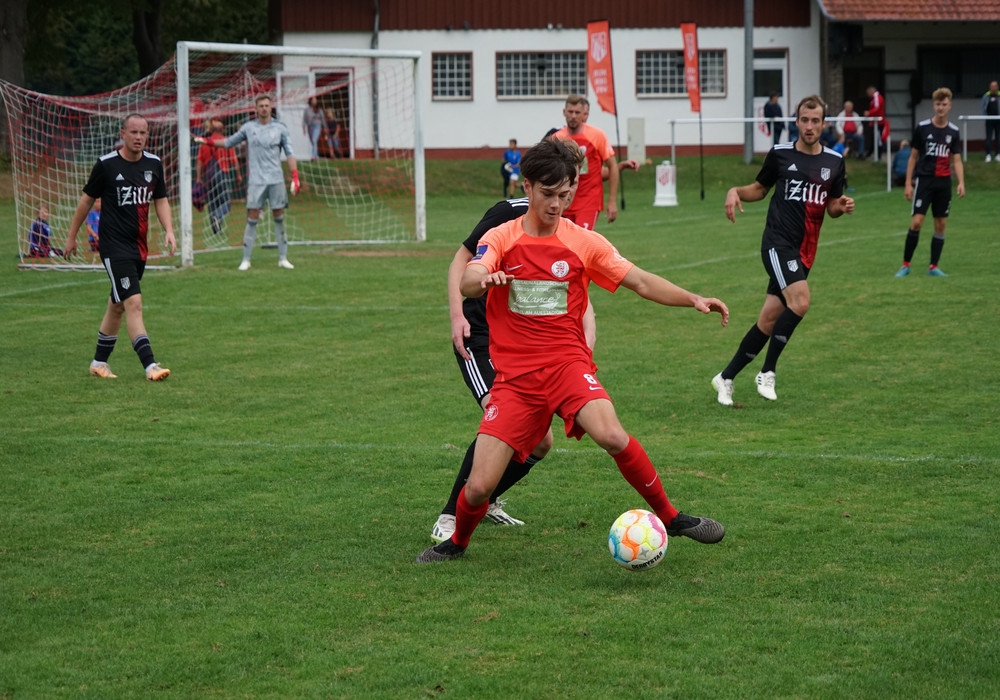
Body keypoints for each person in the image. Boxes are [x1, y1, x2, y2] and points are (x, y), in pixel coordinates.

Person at [417, 138, 729, 563]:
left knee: (612, 434)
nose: (556, 204)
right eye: (548, 193)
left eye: (565, 194)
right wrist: (484, 280)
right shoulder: (501, 236)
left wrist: (692, 298)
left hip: (567, 366)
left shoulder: (583, 241)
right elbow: (469, 277)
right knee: (478, 487)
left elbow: (640, 281)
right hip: (516, 379)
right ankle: (456, 544)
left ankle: (671, 517)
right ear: (527, 187)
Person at [430, 137, 593, 545]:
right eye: (560, 184)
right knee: (497, 419)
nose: (566, 193)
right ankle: (450, 516)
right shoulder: (509, 213)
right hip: (480, 334)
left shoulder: (566, 227)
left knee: (541, 442)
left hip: (522, 343)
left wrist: (584, 346)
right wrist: (456, 316)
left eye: (572, 184)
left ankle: (485, 501)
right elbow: (460, 259)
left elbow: (578, 292)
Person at [711, 95, 855, 406]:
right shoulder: (780, 154)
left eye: (815, 121)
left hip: (806, 251)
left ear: (823, 124)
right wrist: (735, 191)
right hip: (778, 244)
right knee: (800, 301)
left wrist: (841, 206)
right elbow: (759, 189)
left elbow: (831, 206)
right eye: (804, 120)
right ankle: (767, 372)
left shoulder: (834, 161)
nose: (809, 126)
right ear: (796, 121)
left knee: (768, 320)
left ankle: (726, 377)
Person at [64, 112, 176, 381]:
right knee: (133, 303)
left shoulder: (153, 164)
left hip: (139, 248)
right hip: (114, 248)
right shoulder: (107, 165)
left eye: (143, 133)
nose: (138, 137)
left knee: (117, 305)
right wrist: (71, 236)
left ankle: (99, 363)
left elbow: (160, 199)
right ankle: (150, 366)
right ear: (123, 134)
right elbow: (86, 201)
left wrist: (169, 230)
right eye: (133, 132)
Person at [197, 94, 299, 271]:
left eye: (267, 105)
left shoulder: (280, 128)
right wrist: (208, 141)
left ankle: (283, 258)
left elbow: (289, 153)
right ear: (256, 109)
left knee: (279, 217)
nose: (264, 109)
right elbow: (228, 142)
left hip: (275, 179)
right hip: (256, 180)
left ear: (271, 108)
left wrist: (295, 176)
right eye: (261, 106)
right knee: (252, 218)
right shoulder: (249, 128)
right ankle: (246, 259)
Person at [895, 87, 966, 278]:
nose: (941, 107)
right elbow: (913, 157)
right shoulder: (923, 128)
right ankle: (905, 265)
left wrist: (961, 182)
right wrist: (908, 183)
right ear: (933, 105)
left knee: (940, 224)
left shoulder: (954, 131)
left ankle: (933, 266)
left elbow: (957, 159)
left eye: (944, 104)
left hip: (944, 183)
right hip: (925, 181)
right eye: (938, 104)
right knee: (917, 222)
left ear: (950, 106)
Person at [553, 94, 619, 230]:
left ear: (584, 114)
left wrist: (612, 201)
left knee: (581, 239)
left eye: (577, 112)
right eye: (570, 112)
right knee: (564, 240)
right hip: (563, 200)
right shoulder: (556, 138)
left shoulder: (596, 135)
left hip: (589, 200)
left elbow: (612, 166)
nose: (573, 116)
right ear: (564, 112)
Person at [196, 119, 242, 240]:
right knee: (226, 202)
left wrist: (199, 178)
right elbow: (234, 160)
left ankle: (216, 229)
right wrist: (238, 175)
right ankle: (218, 216)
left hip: (209, 175)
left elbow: (199, 162)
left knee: (212, 203)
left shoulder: (204, 142)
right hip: (222, 173)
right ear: (222, 130)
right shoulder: (226, 142)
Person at [864, 86, 890, 160]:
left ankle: (878, 155)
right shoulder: (875, 98)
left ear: (871, 91)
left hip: (879, 122)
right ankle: (871, 153)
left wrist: (869, 112)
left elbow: (877, 108)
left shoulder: (877, 97)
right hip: (876, 121)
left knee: (878, 139)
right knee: (874, 138)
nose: (868, 95)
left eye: (868, 93)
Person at [981, 80, 999, 162]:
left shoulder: (999, 95)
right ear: (990, 87)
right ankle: (988, 155)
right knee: (988, 138)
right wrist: (984, 116)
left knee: (998, 138)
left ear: (997, 87)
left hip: (998, 120)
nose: (993, 88)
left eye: (995, 86)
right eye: (992, 86)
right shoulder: (986, 96)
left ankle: (998, 154)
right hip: (989, 120)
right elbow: (982, 107)